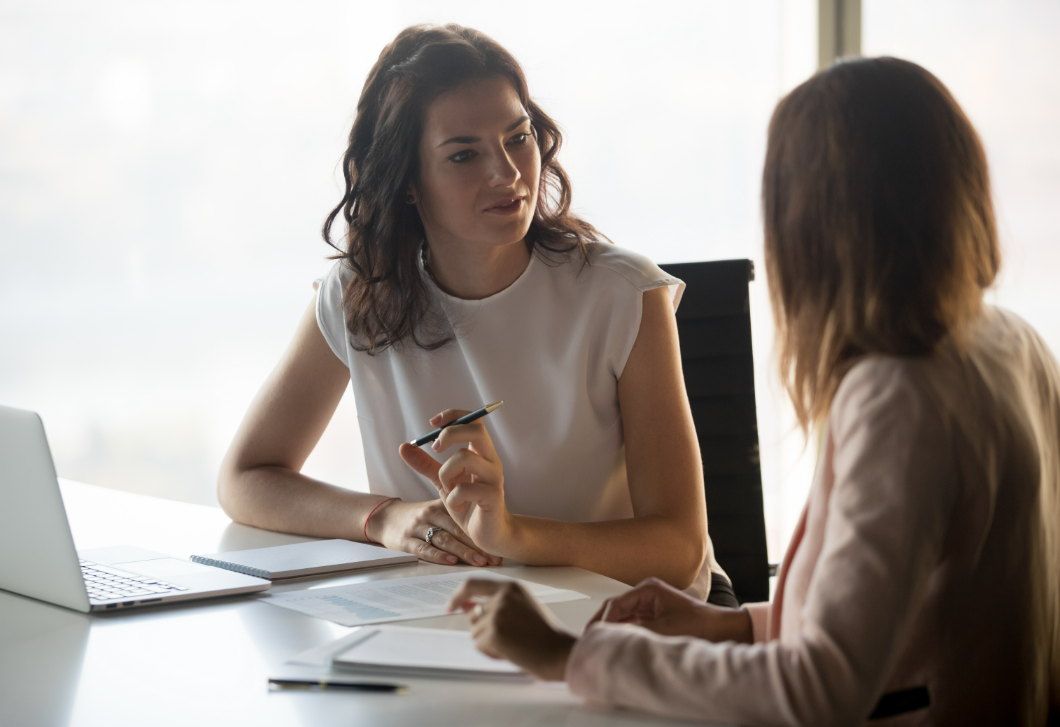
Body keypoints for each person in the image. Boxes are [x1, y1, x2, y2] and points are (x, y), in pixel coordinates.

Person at [448, 57, 1060, 724]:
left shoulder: (898, 396)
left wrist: (566, 655)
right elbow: (918, 624)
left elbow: (814, 690)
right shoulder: (1010, 342)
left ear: (810, 222)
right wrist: (734, 628)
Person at [217, 24, 736, 604]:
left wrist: (513, 535)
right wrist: (386, 519)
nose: (508, 173)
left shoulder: (621, 293)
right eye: (465, 154)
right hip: (452, 614)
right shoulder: (359, 294)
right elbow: (246, 478)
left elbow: (678, 547)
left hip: (639, 614)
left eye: (518, 138)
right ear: (408, 181)